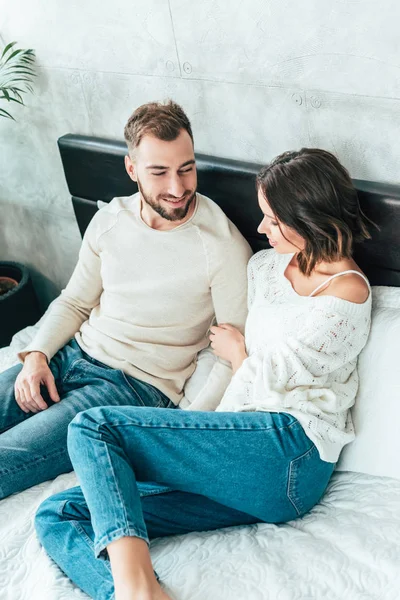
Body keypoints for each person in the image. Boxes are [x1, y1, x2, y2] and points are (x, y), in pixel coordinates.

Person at [35, 148, 373, 600]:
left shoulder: (348, 293)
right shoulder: (264, 267)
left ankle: (138, 589)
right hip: (240, 457)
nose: (260, 229)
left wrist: (239, 356)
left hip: (292, 450)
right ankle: (127, 594)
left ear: (308, 216)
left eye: (272, 220)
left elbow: (277, 378)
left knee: (94, 427)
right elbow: (246, 364)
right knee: (59, 512)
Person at [0, 100, 252, 500]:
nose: (178, 187)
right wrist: (36, 356)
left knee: (6, 460)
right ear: (132, 169)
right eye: (160, 172)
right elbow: (75, 302)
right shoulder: (110, 221)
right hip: (74, 352)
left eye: (187, 168)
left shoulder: (220, 244)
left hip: (135, 387)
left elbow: (231, 352)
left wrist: (184, 427)